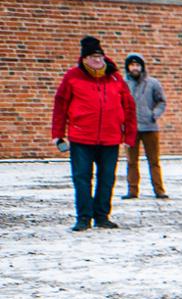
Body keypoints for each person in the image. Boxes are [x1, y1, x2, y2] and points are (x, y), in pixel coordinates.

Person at [52, 35, 136, 231]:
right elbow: (60, 105)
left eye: (99, 56)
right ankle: (83, 217)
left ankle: (102, 216)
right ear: (84, 59)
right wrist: (58, 133)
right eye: (92, 57)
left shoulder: (115, 78)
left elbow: (129, 107)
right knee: (81, 178)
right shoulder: (72, 76)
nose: (97, 61)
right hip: (81, 137)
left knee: (107, 178)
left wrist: (129, 135)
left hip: (110, 138)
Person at [121, 53, 168, 200]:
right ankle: (132, 191)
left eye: (137, 65)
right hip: (130, 129)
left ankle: (159, 190)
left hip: (150, 127)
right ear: (128, 67)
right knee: (131, 161)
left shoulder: (153, 83)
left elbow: (161, 101)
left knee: (154, 161)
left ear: (142, 67)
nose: (135, 68)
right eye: (132, 65)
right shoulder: (122, 84)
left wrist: (154, 114)